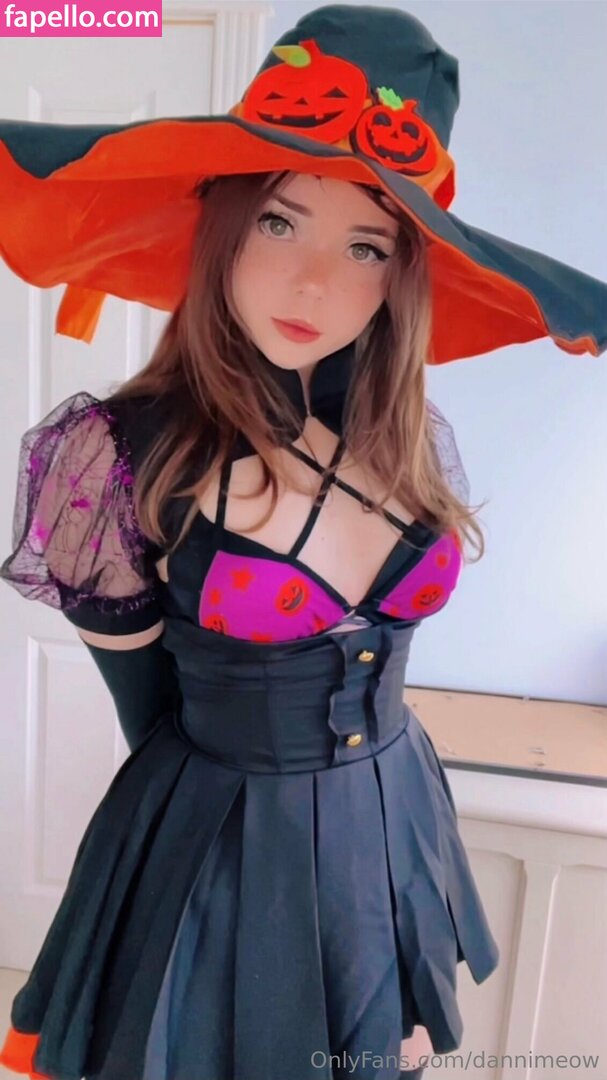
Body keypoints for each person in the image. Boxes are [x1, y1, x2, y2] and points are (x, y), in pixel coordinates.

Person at [0, 5, 604, 1080]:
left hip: (396, 814)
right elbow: (151, 719)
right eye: (279, 222)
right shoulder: (122, 459)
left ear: (400, 275)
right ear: (221, 226)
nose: (314, 282)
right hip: (220, 842)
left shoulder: (406, 438)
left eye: (365, 245)